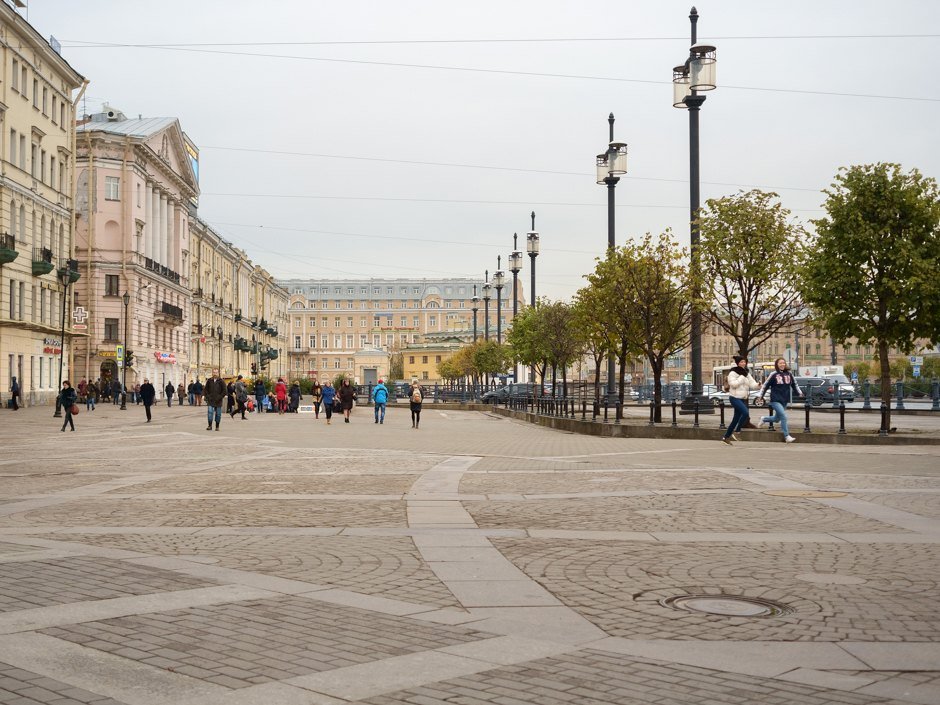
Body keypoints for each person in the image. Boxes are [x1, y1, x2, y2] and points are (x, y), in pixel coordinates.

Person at [759, 357, 803, 443]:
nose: (782, 364)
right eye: (780, 363)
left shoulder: (789, 374)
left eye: (783, 363)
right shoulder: (773, 374)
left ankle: (764, 419)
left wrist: (799, 393)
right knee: (783, 416)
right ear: (777, 365)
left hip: (784, 399)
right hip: (775, 399)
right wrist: (761, 396)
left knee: (777, 419)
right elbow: (765, 385)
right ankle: (787, 436)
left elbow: (795, 384)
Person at [722, 355, 760, 445]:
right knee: (745, 413)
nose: (743, 363)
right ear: (737, 363)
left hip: (742, 398)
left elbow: (752, 384)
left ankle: (726, 437)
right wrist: (742, 377)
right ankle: (737, 431)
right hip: (734, 397)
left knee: (735, 419)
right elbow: (733, 384)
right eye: (741, 362)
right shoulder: (733, 373)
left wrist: (758, 385)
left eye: (744, 362)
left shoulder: (746, 372)